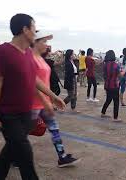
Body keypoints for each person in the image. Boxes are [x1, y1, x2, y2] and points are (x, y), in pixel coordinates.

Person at [0, 14, 65, 180]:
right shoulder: (3, 52)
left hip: (26, 113)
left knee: (10, 151)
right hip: (8, 114)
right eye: (33, 28)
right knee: (25, 155)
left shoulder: (27, 53)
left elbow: (34, 79)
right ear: (25, 30)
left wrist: (52, 96)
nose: (35, 32)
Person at [31, 31, 79, 167]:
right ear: (35, 42)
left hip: (44, 103)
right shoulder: (30, 59)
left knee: (54, 129)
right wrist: (48, 100)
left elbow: (44, 82)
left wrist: (51, 99)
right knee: (22, 133)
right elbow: (32, 84)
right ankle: (12, 156)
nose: (47, 45)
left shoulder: (41, 59)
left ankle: (62, 157)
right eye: (44, 42)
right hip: (32, 104)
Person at [101, 50, 124, 121]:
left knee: (108, 99)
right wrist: (124, 71)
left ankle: (103, 112)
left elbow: (104, 75)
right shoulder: (115, 65)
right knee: (116, 101)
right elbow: (120, 75)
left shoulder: (105, 65)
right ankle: (115, 117)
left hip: (107, 85)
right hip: (114, 85)